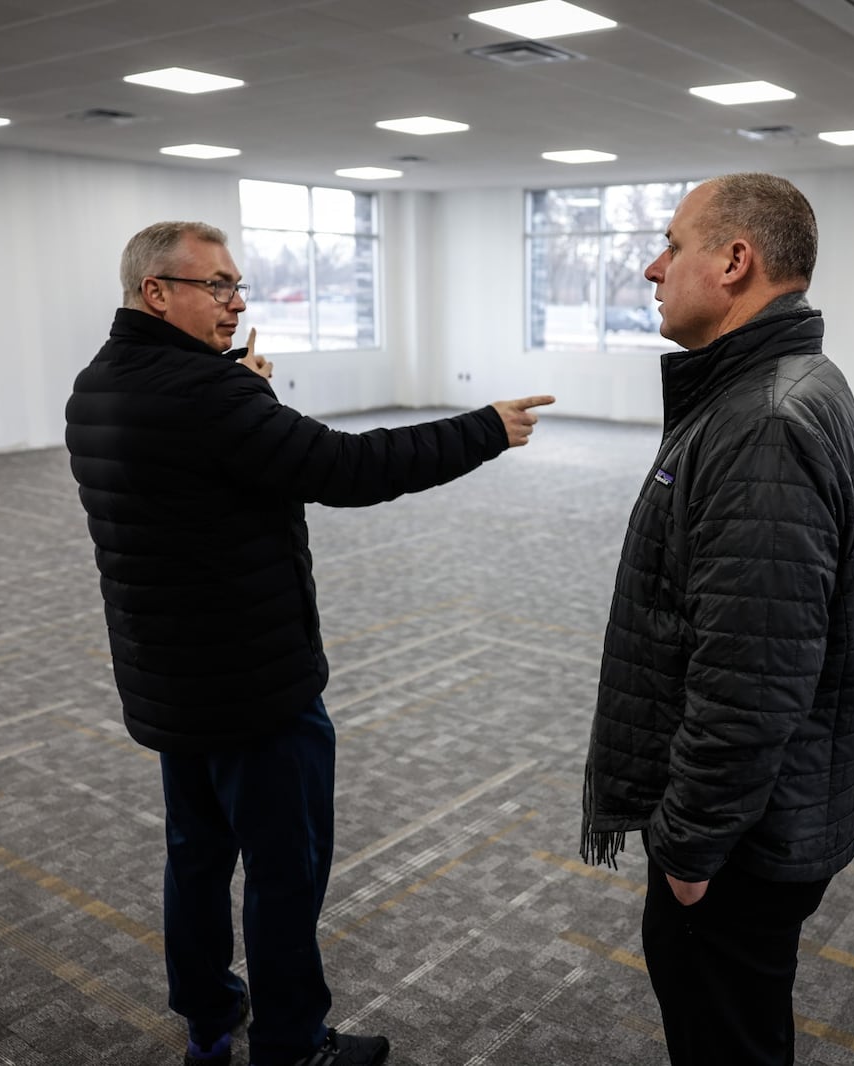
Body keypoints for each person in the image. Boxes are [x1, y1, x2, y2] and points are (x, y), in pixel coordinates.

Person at [65, 220, 553, 1066]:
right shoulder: (213, 398)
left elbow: (196, 472)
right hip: (255, 686)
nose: (236, 301)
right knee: (285, 872)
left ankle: (209, 1017)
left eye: (237, 284)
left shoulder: (100, 386)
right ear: (157, 292)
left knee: (196, 854)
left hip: (172, 679)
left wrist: (239, 389)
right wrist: (484, 429)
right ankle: (293, 1044)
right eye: (215, 285)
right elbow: (346, 469)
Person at [580, 173, 854, 1065]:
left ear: (736, 261)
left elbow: (752, 677)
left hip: (742, 840)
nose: (650, 267)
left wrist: (688, 851)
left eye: (673, 245)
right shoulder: (772, 391)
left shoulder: (764, 423)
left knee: (727, 1040)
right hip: (764, 819)